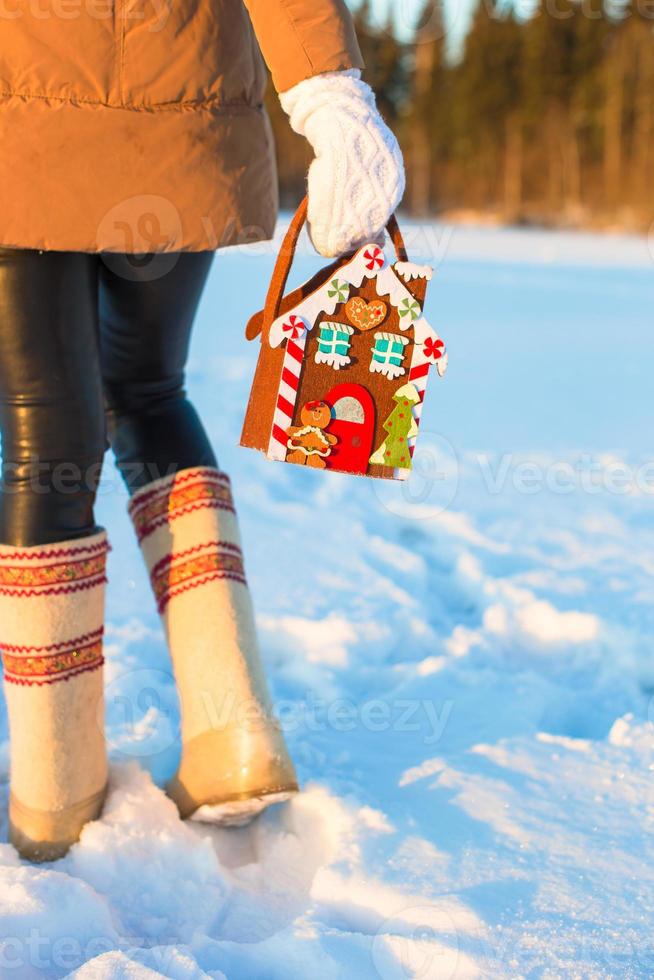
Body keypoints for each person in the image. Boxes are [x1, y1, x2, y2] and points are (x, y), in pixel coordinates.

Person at [0, 0, 405, 861]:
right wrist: (332, 94)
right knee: (148, 394)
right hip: (182, 132)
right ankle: (234, 735)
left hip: (16, 130)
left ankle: (54, 792)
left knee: (45, 448)